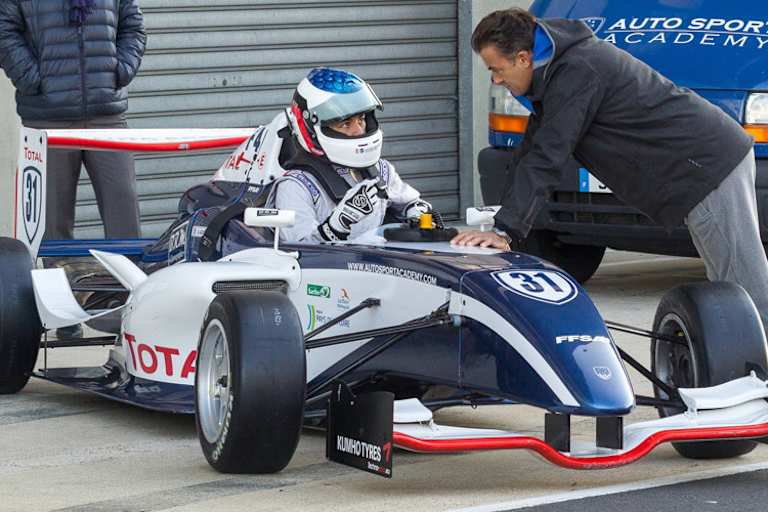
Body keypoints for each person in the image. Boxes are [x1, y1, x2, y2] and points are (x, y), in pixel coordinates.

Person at [452, 8, 768, 327]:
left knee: (746, 292)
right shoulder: (556, 74)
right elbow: (530, 155)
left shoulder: (578, 70)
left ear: (523, 58)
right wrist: (500, 227)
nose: (495, 79)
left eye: (496, 68)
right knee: (730, 291)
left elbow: (549, 155)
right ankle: (746, 365)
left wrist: (505, 231)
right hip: (701, 165)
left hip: (709, 165)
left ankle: (755, 368)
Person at [0, 0, 147, 338]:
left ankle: (127, 312)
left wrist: (119, 69)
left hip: (106, 116)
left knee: (124, 217)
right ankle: (63, 315)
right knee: (54, 225)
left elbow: (133, 25)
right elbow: (5, 30)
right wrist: (33, 79)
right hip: (47, 119)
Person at [267, 67, 431, 243]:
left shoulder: (381, 170)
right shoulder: (296, 185)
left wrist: (419, 215)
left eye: (360, 119)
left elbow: (411, 203)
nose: (358, 131)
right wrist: (335, 226)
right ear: (311, 128)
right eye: (345, 124)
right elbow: (300, 249)